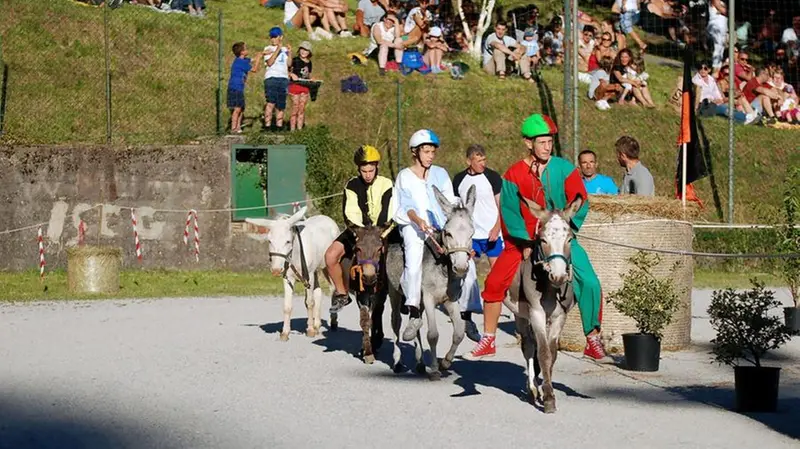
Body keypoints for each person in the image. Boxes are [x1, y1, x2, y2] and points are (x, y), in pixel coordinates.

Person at [465, 114, 609, 362]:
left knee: (591, 282)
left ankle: (592, 339)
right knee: (494, 282)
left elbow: (580, 199)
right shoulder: (513, 174)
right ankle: (488, 339)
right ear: (528, 143)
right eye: (542, 142)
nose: (547, 146)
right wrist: (525, 241)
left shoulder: (565, 169)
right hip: (522, 241)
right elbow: (509, 210)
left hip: (559, 238)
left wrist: (566, 225)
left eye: (550, 141)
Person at [392, 129, 457, 341]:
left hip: (439, 225)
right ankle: (413, 311)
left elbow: (450, 200)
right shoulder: (404, 176)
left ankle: (466, 310)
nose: (430, 156)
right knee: (413, 259)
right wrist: (417, 220)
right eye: (426, 151)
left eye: (432, 152)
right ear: (415, 152)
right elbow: (405, 205)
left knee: (463, 254)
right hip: (414, 225)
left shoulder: (441, 173)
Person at [327, 145, 395, 313]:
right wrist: (359, 233)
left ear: (377, 167)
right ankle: (342, 294)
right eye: (364, 171)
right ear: (359, 169)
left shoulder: (387, 184)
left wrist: (379, 233)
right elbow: (350, 212)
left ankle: (403, 292)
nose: (368, 174)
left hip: (382, 231)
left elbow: (388, 211)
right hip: (357, 231)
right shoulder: (351, 185)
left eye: (371, 170)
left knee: (401, 253)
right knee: (330, 256)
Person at [452, 144, 504, 342]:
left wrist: (497, 228)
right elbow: (457, 209)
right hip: (471, 237)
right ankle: (467, 318)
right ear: (469, 161)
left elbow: (501, 206)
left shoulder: (493, 177)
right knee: (466, 273)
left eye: (484, 159)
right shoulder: (459, 179)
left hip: (492, 235)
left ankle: (501, 318)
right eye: (478, 160)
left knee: (499, 278)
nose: (483, 163)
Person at [227, 42, 262, 134]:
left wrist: (262, 54)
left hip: (239, 88)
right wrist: (259, 59)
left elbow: (251, 59)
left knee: (241, 108)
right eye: (246, 49)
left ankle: (238, 128)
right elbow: (254, 69)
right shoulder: (240, 62)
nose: (247, 50)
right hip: (235, 88)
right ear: (242, 52)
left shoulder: (242, 60)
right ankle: (233, 128)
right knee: (237, 109)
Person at [263, 27, 292, 131]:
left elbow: (289, 64)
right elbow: (269, 62)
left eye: (275, 37)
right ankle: (267, 126)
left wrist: (290, 53)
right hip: (271, 78)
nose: (273, 39)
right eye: (272, 37)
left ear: (281, 37)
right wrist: (277, 49)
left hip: (283, 78)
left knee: (281, 104)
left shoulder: (285, 50)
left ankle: (279, 126)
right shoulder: (268, 48)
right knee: (270, 102)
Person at [288, 41, 315, 131]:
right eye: (302, 49)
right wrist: (291, 74)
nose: (303, 52)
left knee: (302, 108)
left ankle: (299, 130)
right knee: (295, 107)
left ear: (309, 52)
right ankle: (292, 129)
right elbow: (287, 70)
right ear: (299, 50)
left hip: (305, 86)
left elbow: (308, 74)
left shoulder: (309, 62)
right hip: (294, 86)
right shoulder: (295, 60)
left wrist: (311, 79)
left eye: (306, 50)